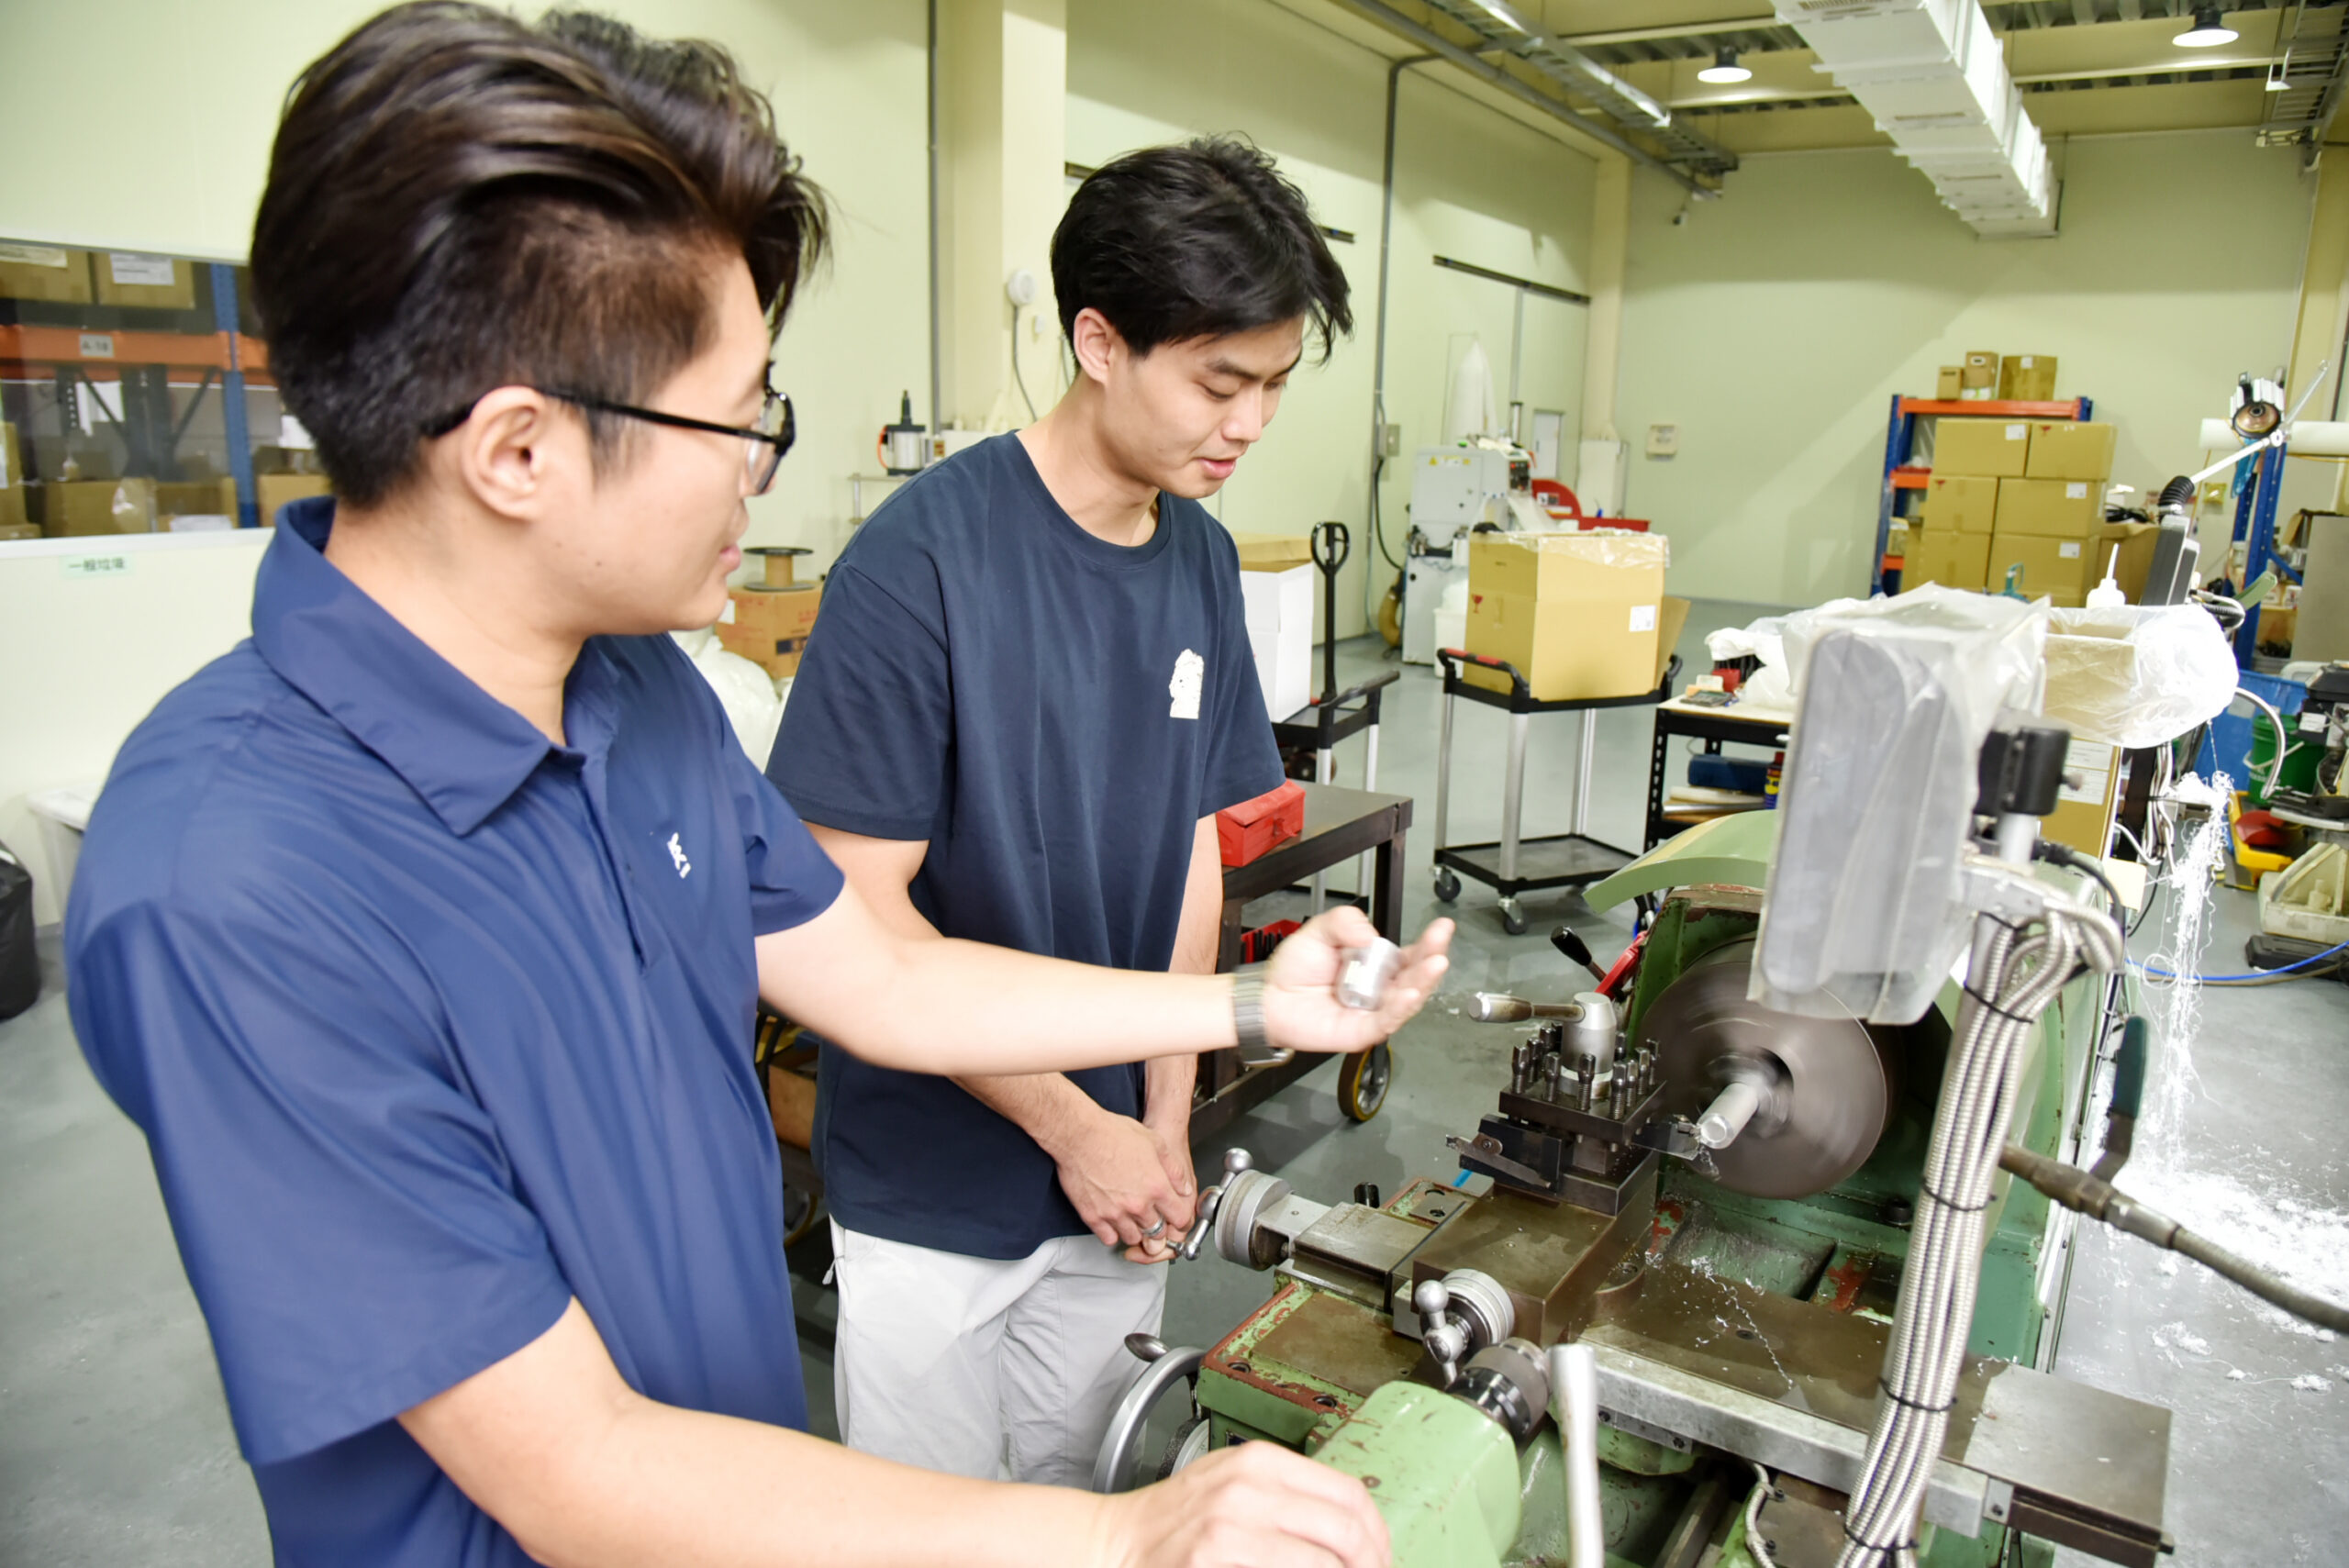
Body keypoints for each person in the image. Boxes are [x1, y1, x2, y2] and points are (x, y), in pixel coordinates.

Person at [61, 7, 1450, 1566]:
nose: (760, 468)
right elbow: (576, 1469)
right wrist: (1123, 1540)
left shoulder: (640, 695)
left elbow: (887, 978)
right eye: (737, 420)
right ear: (516, 451)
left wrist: (1249, 1006)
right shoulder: (233, 885)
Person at [766, 138, 1355, 1485]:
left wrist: (1164, 1114)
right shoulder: (918, 565)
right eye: (1219, 383)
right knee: (938, 1532)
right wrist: (1073, 1128)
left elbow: (1193, 852)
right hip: (936, 1189)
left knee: (1088, 1493)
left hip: (1127, 1174)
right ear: (1098, 341)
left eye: (1273, 385)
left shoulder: (1200, 557)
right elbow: (857, 921)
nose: (1250, 423)